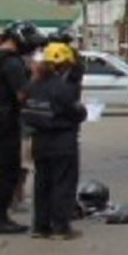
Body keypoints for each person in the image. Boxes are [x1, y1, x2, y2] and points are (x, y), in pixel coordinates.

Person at [0, 22, 40, 235]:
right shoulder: (11, 63)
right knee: (6, 168)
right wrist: (36, 76)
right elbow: (22, 94)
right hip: (3, 121)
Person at [22, 42, 87, 240]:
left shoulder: (33, 86)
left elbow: (27, 113)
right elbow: (76, 112)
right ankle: (60, 227)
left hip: (40, 141)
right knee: (62, 184)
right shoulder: (63, 88)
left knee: (42, 184)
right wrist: (82, 111)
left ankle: (40, 226)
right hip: (62, 141)